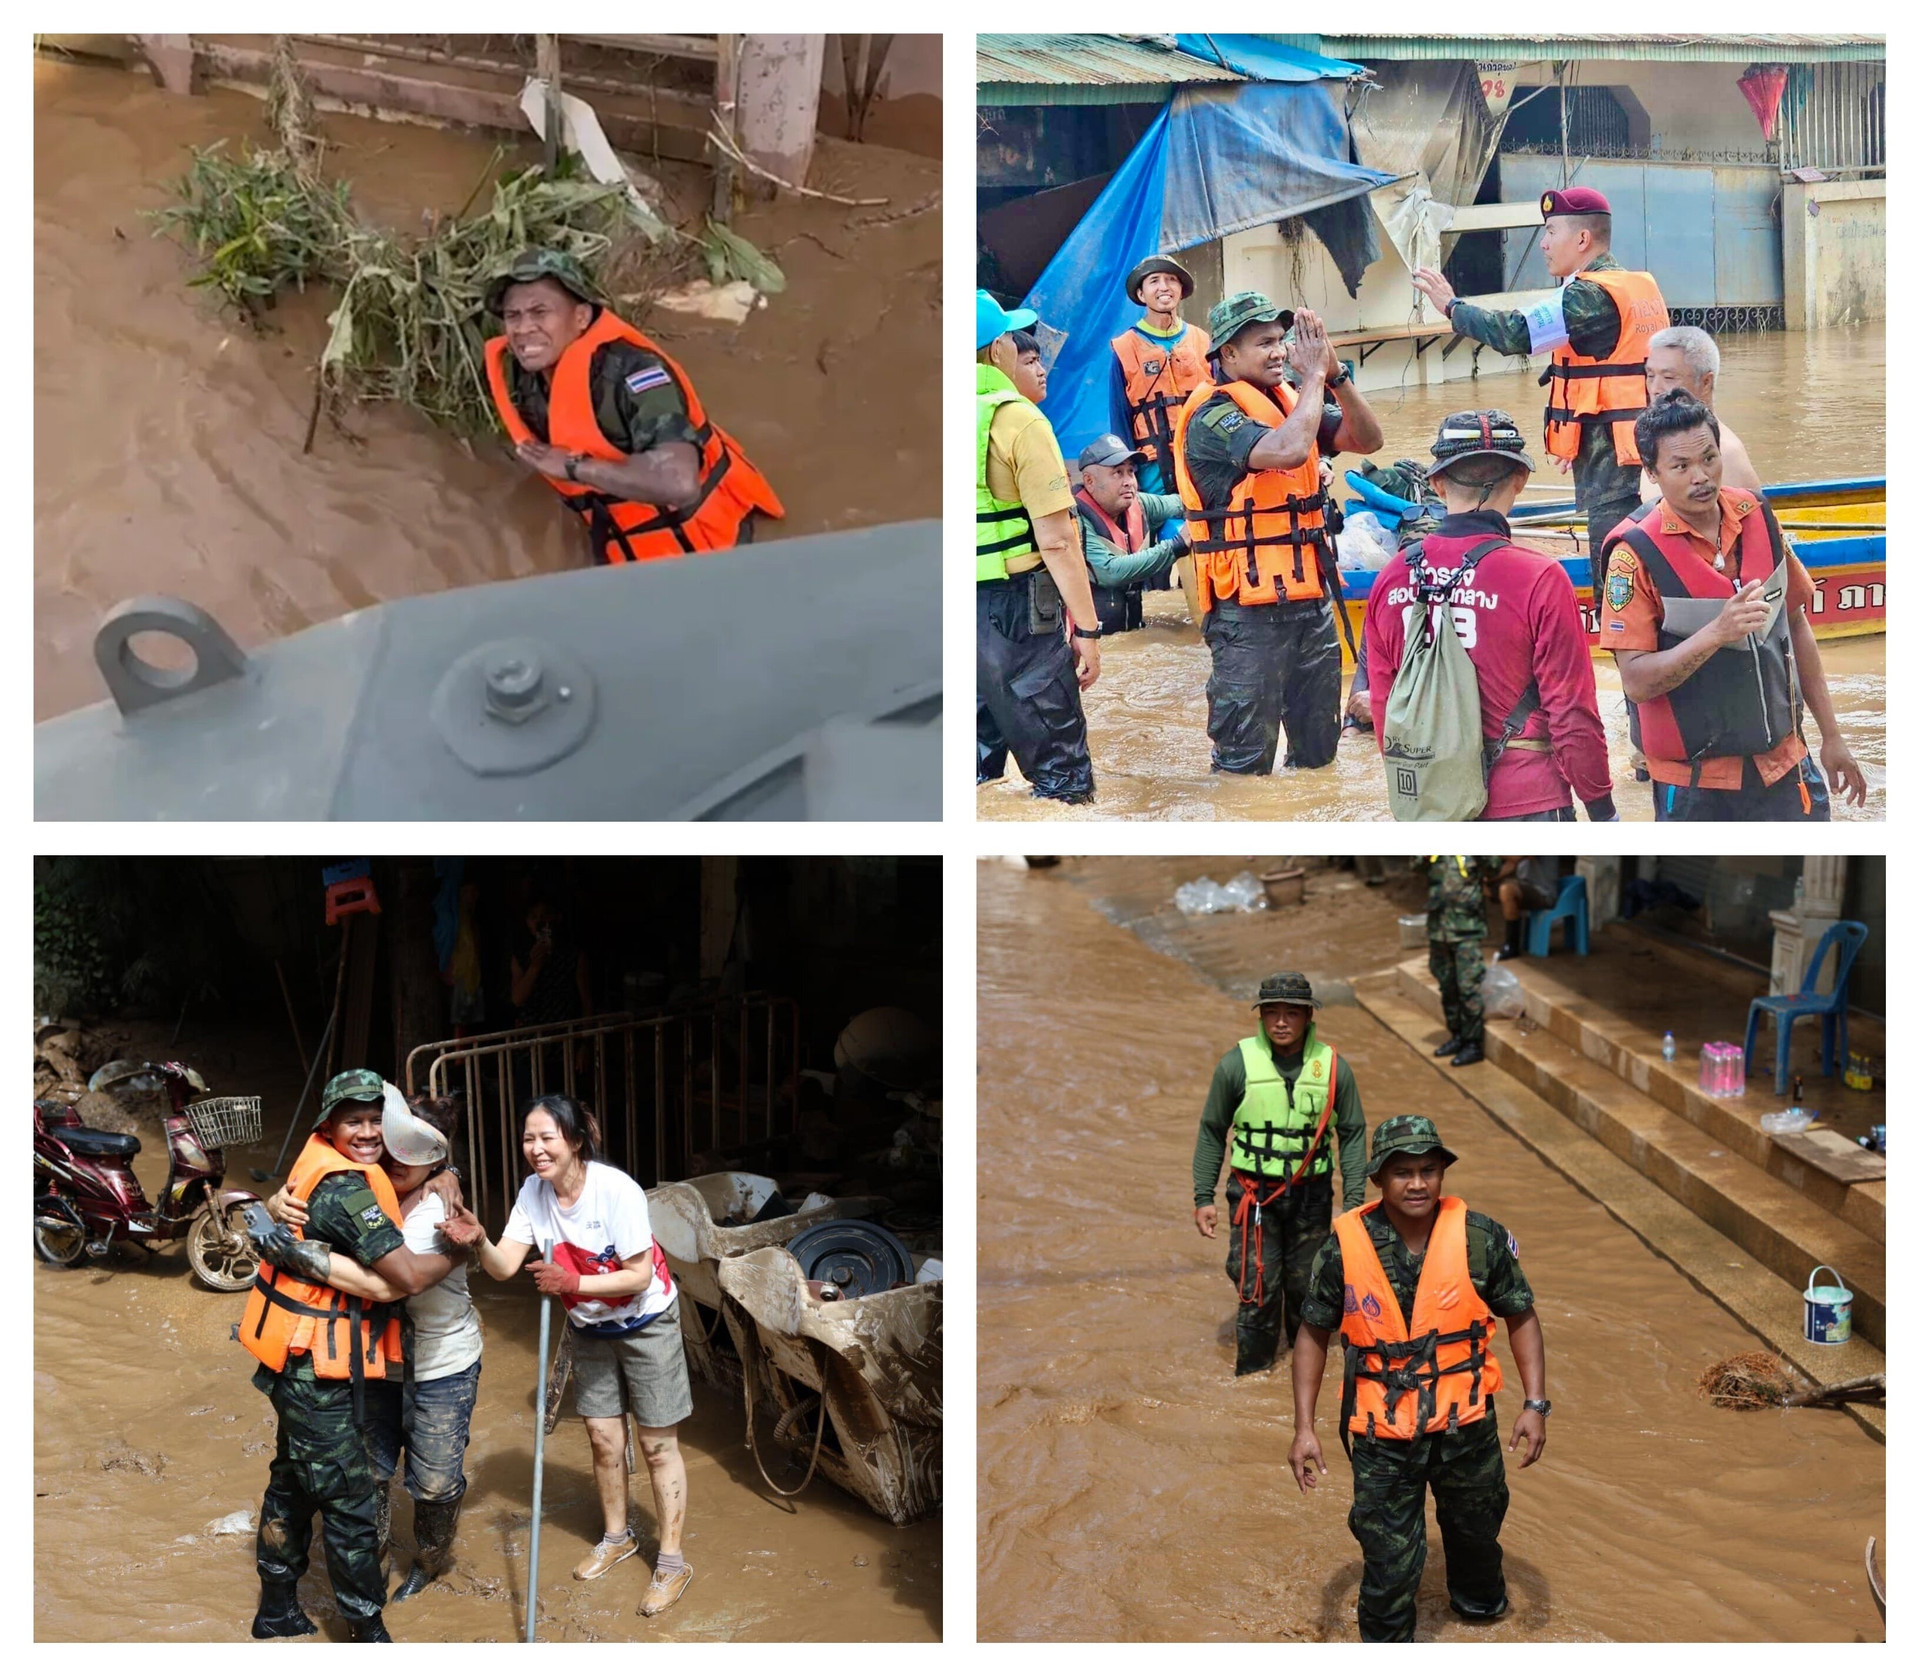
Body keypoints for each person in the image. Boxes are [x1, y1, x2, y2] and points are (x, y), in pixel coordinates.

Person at [1288, 1115, 1549, 1643]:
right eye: (1402, 1171)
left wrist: (1535, 1404)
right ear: (1379, 1178)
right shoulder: (1343, 1249)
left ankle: (1482, 1624)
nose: (1417, 1183)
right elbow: (1312, 1335)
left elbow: (1521, 1316)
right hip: (1381, 1435)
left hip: (1465, 1429)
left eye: (1429, 1170)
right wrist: (1303, 1428)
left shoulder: (1481, 1240)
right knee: (1388, 1566)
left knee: (1476, 1542)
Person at [441, 1093, 695, 1618]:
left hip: (646, 1320)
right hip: (590, 1326)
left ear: (576, 1141)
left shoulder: (615, 1191)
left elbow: (640, 1274)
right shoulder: (533, 1193)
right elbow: (504, 1267)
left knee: (655, 1445)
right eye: (529, 1138)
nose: (535, 1149)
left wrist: (573, 1280)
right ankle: (617, 1537)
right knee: (604, 1439)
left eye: (547, 1137)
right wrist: (479, 1239)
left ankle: (671, 1562)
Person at [237, 1070, 465, 1643]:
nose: (366, 1133)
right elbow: (406, 1277)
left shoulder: (321, 1164)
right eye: (352, 1121)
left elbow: (410, 1174)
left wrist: (446, 1175)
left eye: (374, 1121)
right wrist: (461, 1254)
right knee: (350, 1504)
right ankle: (366, 1633)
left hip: (294, 1361)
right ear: (327, 1125)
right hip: (317, 1369)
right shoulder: (347, 1189)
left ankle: (277, 1610)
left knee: (290, 1481)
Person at [1597, 391, 1867, 820]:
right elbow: (1635, 682)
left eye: (1709, 458)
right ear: (1652, 473)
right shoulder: (1633, 556)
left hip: (1785, 765)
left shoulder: (1758, 516)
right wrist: (1716, 633)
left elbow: (1796, 627)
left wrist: (1832, 737)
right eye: (1680, 466)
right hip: (1694, 785)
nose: (1700, 476)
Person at [1364, 411, 1616, 822]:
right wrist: (1602, 809)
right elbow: (1572, 715)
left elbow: (1385, 709)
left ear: (1437, 483)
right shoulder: (1540, 578)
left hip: (1430, 801)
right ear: (1520, 480)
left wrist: (1423, 784)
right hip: (1529, 803)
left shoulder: (1391, 578)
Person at [1171, 294, 1384, 775]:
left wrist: (1336, 376)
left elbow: (1368, 440)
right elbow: (1286, 450)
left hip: (1311, 606)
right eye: (1264, 342)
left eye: (1282, 341)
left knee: (1319, 759)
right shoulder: (1211, 416)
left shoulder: (1291, 399)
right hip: (1246, 617)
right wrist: (1311, 378)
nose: (1279, 352)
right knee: (1243, 769)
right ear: (1226, 354)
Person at [1412, 188, 1668, 577]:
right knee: (1626, 545)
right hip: (1630, 446)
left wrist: (1452, 307)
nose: (1543, 244)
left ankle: (1617, 630)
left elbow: (1516, 334)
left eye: (1551, 232)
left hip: (1618, 462)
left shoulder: (1591, 296)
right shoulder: (1629, 285)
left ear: (1582, 239)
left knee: (1616, 562)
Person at [481, 247, 782, 564]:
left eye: (540, 312)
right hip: (627, 553)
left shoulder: (635, 373)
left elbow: (679, 483)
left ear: (582, 317)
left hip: (712, 553)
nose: (523, 328)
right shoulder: (523, 373)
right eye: (513, 316)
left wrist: (574, 467)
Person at [1191, 973, 1369, 1377]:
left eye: (1292, 1013)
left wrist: (1353, 1203)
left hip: (1312, 1197)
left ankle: (1307, 1377)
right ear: (1261, 1017)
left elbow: (1354, 1134)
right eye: (1272, 1012)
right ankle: (1254, 1377)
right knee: (1257, 1287)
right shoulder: (1235, 1065)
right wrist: (1204, 1197)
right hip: (1255, 1198)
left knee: (1308, 1285)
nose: (1282, 1022)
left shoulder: (1334, 1068)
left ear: (1308, 1017)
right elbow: (1212, 1131)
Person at [976, 290, 1101, 802]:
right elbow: (1057, 539)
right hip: (1016, 611)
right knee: (1062, 777)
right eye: (1008, 336)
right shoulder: (1017, 419)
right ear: (995, 350)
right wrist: (1089, 630)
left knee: (972, 771)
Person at [1109, 255, 1211, 495]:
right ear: (1142, 294)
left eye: (1171, 279)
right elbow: (1120, 418)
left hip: (1204, 457)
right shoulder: (1125, 347)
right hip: (1152, 468)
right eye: (1154, 280)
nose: (1164, 287)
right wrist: (1126, 471)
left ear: (1181, 290)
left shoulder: (1201, 340)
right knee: (1163, 528)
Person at [1073, 434, 1190, 635]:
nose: (1129, 482)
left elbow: (1185, 503)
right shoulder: (1075, 520)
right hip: (1094, 643)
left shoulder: (1141, 504)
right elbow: (1110, 572)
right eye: (1117, 473)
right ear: (1089, 481)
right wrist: (1177, 546)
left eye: (1131, 472)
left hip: (1132, 631)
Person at [1637, 325, 1760, 501]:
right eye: (1650, 376)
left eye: (1669, 378)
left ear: (1706, 382)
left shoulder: (1724, 452)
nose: (1655, 389)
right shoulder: (1659, 442)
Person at [1425, 857, 1499, 1065]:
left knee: (1468, 988)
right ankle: (1457, 1035)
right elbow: (1417, 866)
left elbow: (1494, 868)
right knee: (1447, 985)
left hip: (1467, 929)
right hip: (1439, 929)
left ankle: (1473, 1044)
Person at [512, 892, 593, 1027]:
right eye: (533, 917)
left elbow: (586, 1001)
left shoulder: (573, 955)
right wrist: (534, 967)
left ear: (557, 917)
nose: (539, 921)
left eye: (544, 916)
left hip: (565, 1031)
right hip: (532, 1034)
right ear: (527, 922)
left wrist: (585, 1039)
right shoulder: (521, 956)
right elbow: (517, 999)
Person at [1494, 857, 1563, 959]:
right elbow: (1510, 865)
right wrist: (1488, 879)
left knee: (1507, 890)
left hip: (1543, 893)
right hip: (1524, 888)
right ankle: (1474, 933)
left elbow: (1516, 857)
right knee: (1480, 885)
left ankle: (1512, 944)